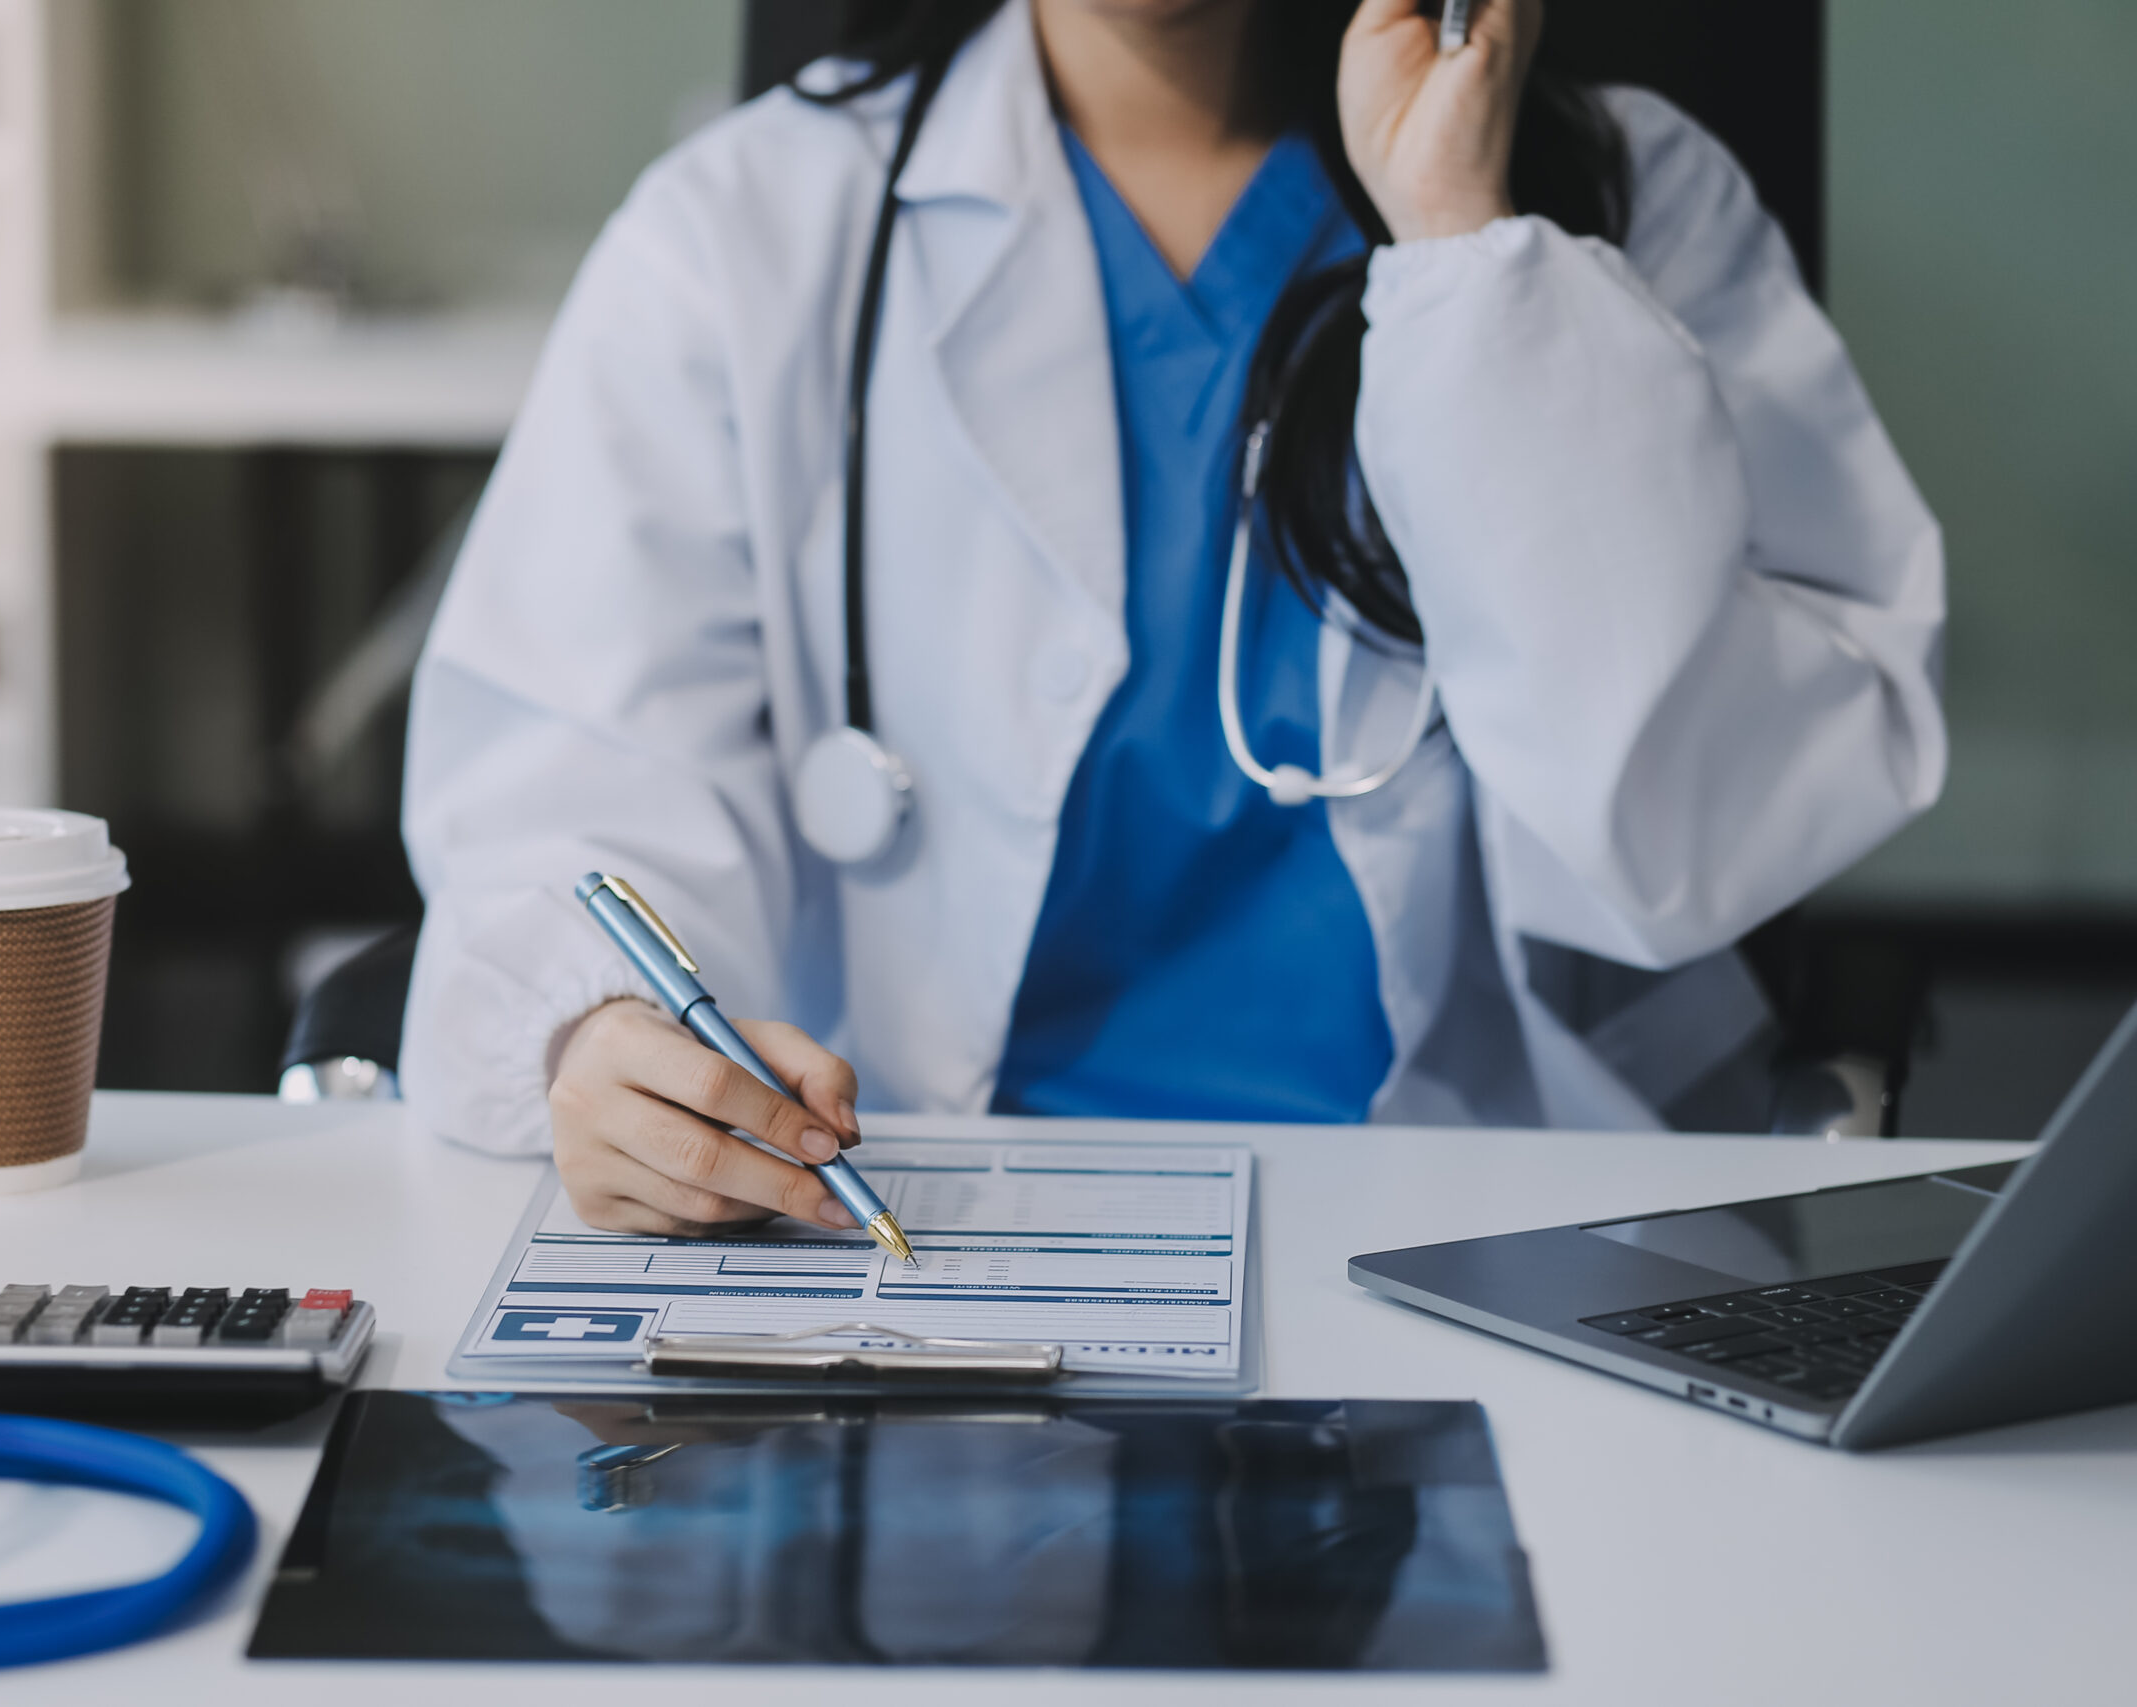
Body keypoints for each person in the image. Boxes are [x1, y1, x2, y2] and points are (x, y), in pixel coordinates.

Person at [399, 0, 1944, 1237]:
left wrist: (1469, 249)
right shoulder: (745, 232)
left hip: (1470, 1222)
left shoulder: (1618, 201)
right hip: (917, 1222)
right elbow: (572, 781)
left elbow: (1694, 830)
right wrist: (600, 1040)